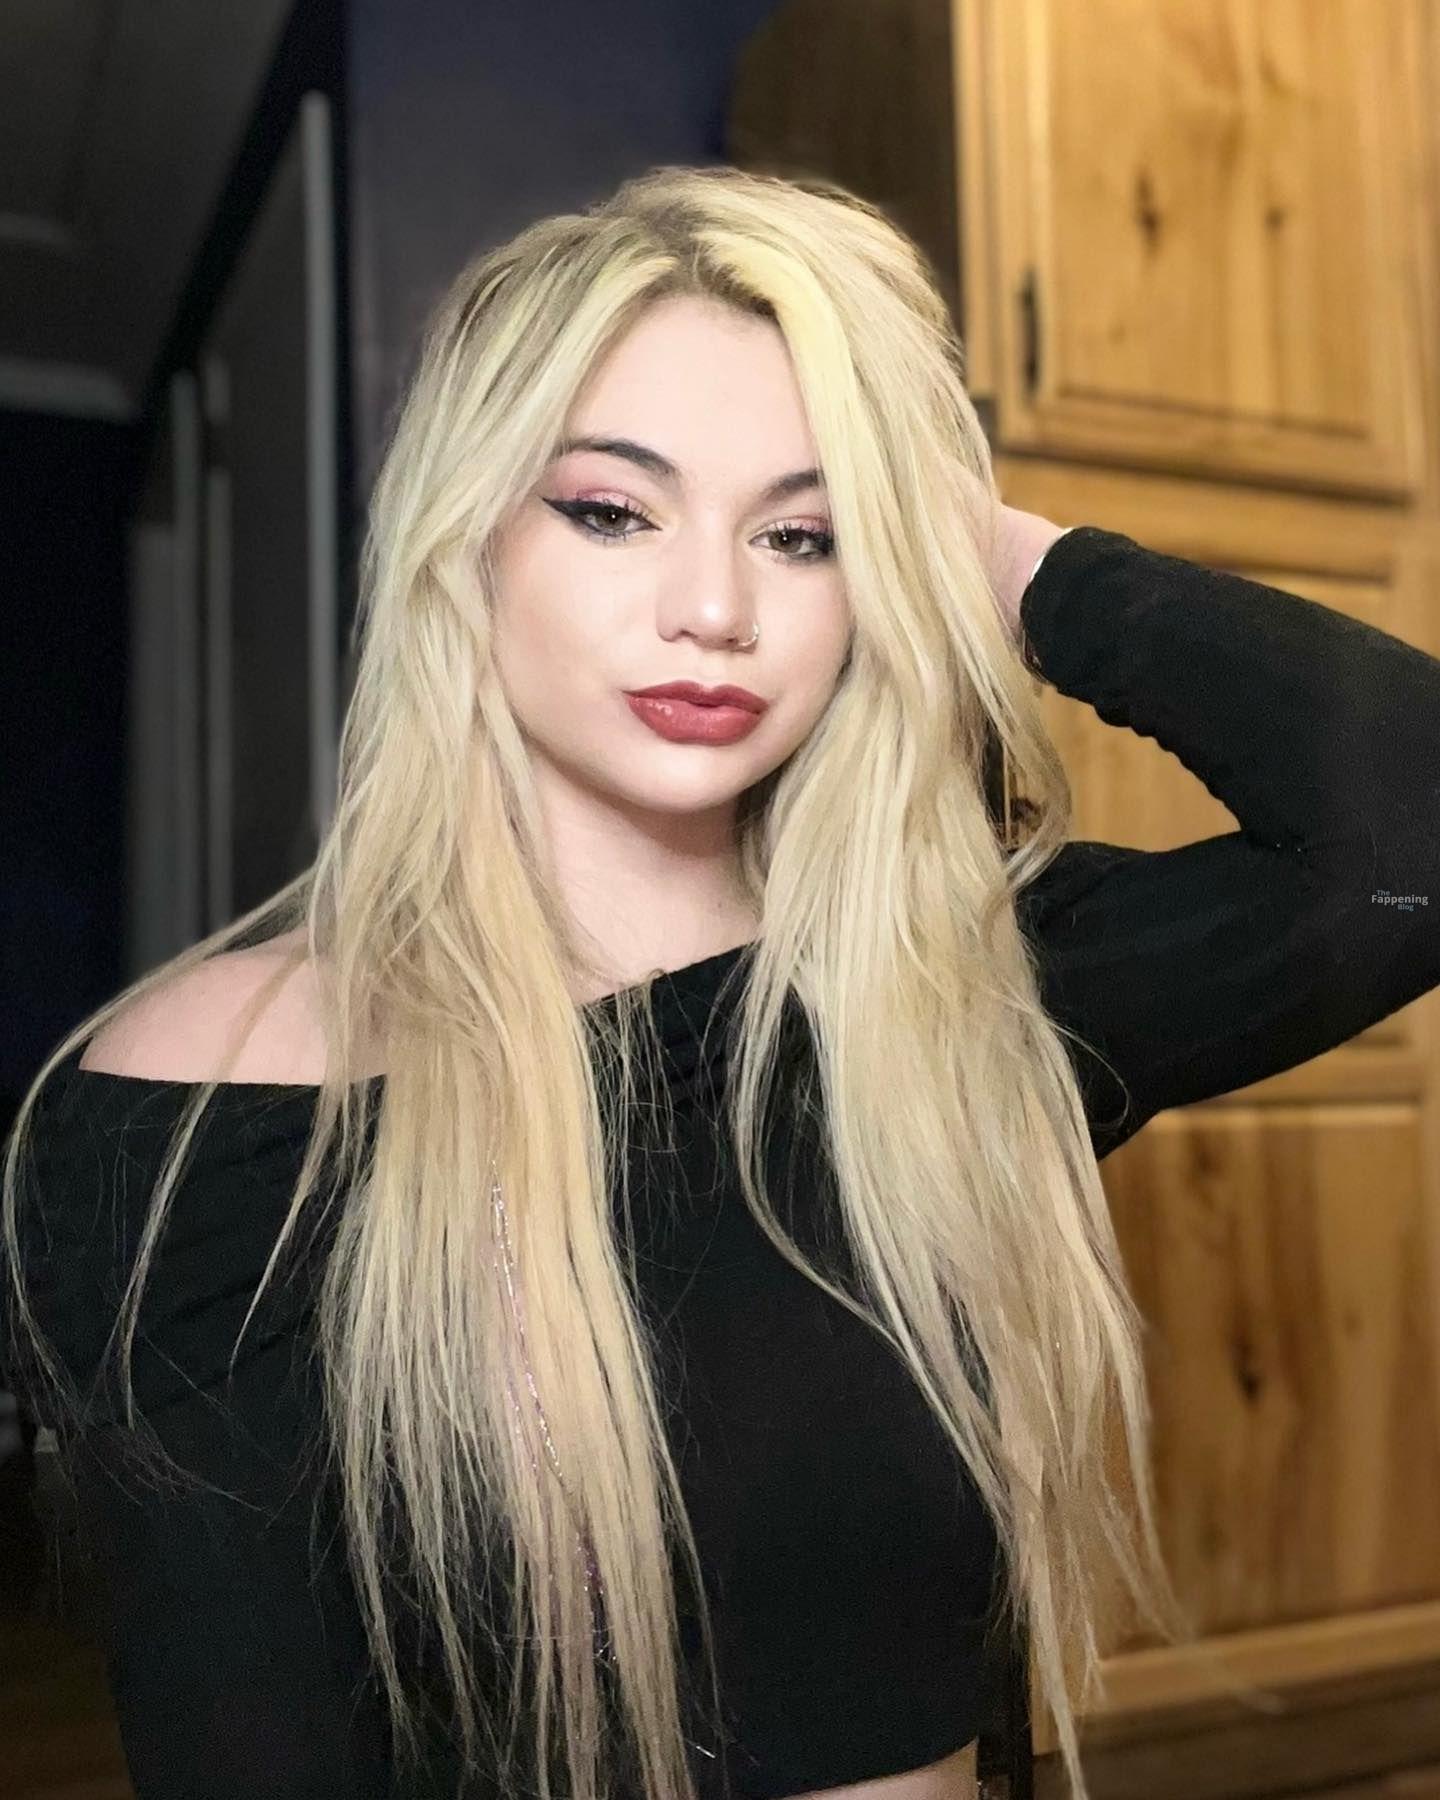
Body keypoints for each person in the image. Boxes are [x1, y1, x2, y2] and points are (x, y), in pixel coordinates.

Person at [4, 164, 1438, 1800]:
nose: (715, 609)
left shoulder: (961, 991)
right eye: (611, 511)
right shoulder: (189, 1113)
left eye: (803, 535)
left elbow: (1413, 832)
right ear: (468, 538)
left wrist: (1000, 555)